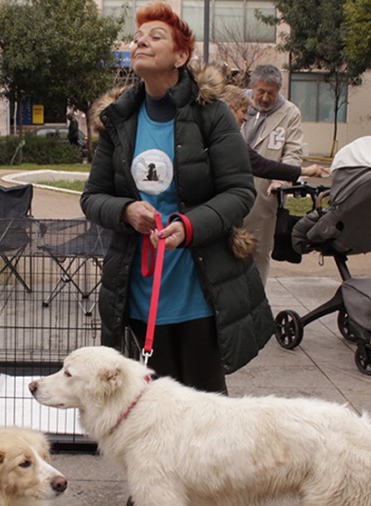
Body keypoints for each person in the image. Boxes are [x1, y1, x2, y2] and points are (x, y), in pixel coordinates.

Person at [82, 2, 273, 409]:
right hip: (138, 289)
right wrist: (125, 212)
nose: (141, 43)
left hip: (199, 288)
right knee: (154, 409)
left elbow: (240, 192)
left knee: (206, 410)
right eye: (138, 37)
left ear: (181, 56)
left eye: (155, 37)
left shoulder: (212, 115)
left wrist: (189, 227)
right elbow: (92, 196)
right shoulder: (119, 120)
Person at [240, 64, 305, 284]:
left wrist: (281, 180)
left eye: (272, 93)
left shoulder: (290, 113)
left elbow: (293, 152)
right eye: (261, 92)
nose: (266, 98)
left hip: (264, 196)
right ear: (252, 87)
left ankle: (257, 303)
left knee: (259, 251)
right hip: (230, 190)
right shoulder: (235, 105)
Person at [223, 84, 328, 182]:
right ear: (229, 109)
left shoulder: (214, 132)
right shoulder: (227, 139)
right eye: (243, 111)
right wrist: (305, 171)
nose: (245, 118)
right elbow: (261, 166)